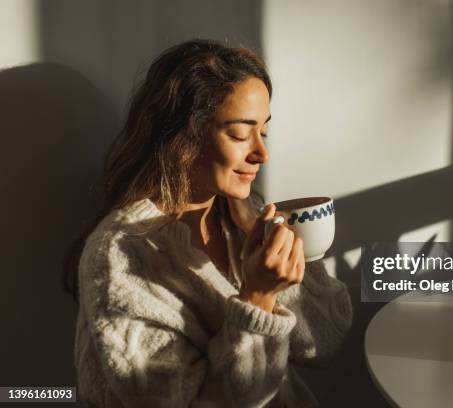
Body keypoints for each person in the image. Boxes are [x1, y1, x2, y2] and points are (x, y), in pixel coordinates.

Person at [63, 39, 353, 407]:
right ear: (182, 136)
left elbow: (323, 343)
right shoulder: (121, 253)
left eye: (263, 131)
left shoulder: (243, 218)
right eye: (239, 133)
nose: (262, 153)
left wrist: (283, 257)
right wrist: (258, 299)